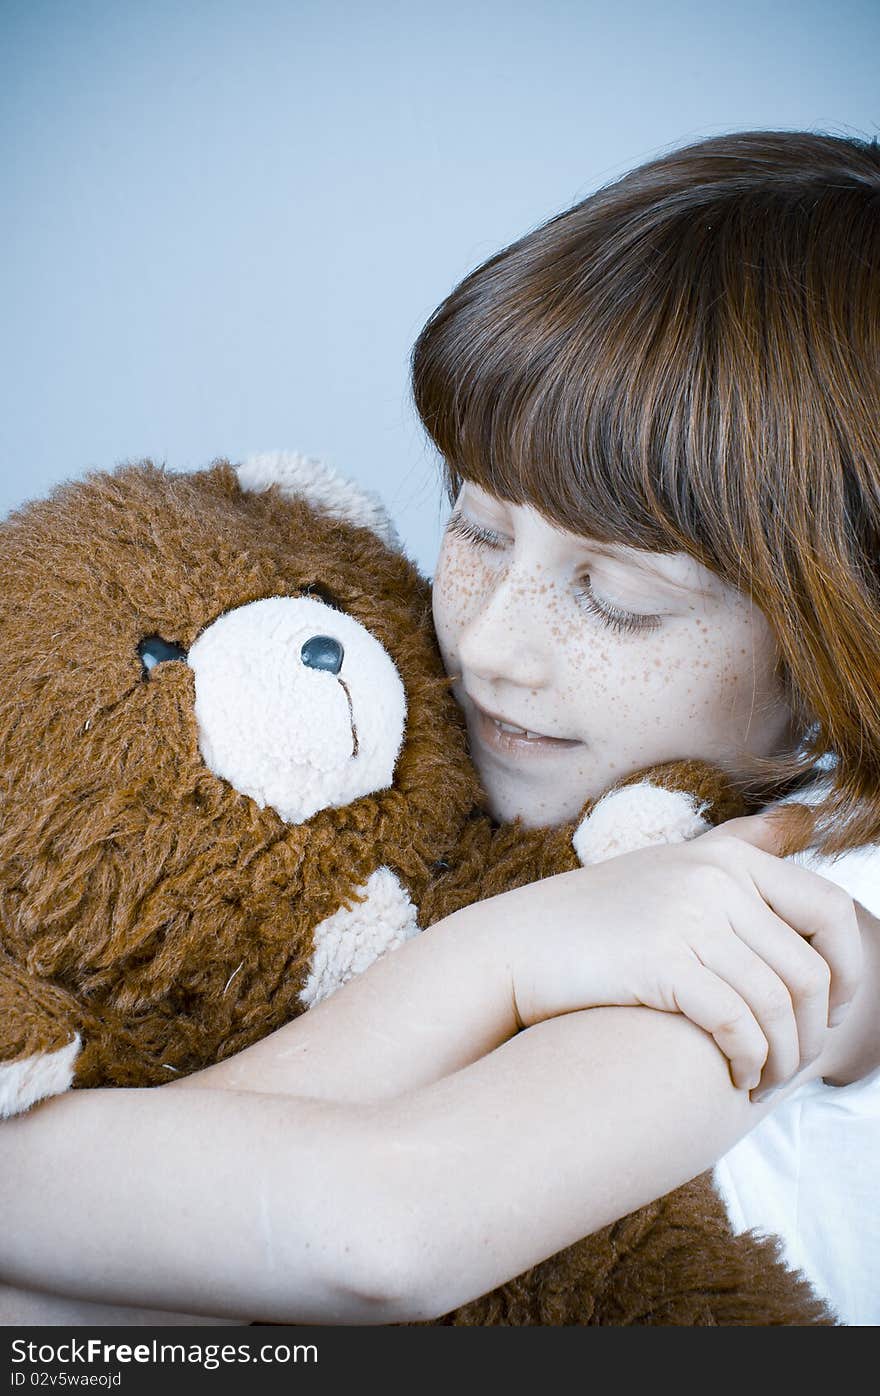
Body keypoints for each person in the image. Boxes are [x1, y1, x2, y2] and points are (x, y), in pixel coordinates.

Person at [1, 128, 879, 1327]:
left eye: (618, 598)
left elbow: (373, 1233)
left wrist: (500, 952)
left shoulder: (813, 897)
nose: (489, 646)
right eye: (475, 529)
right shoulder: (462, 796)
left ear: (841, 638)